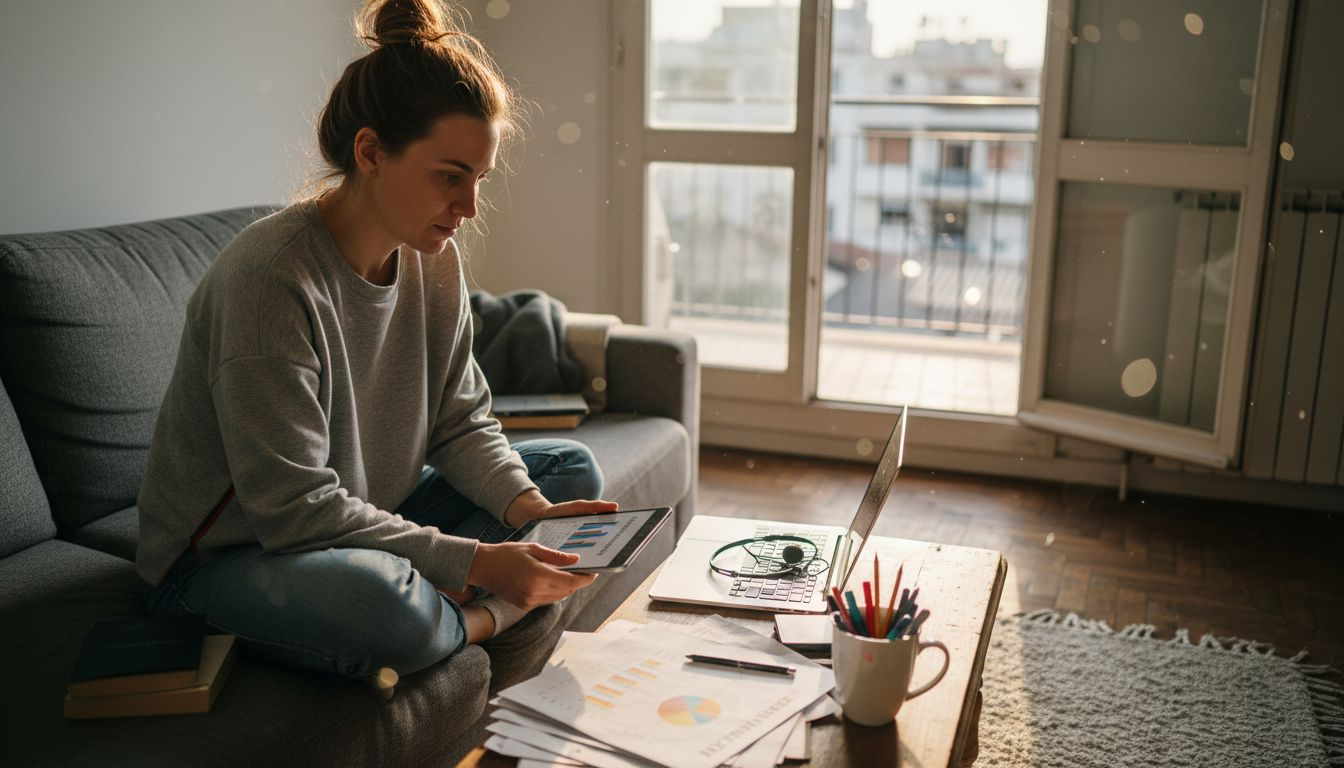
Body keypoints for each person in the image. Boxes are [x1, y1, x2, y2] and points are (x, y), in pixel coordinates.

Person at [135, 0, 614, 683]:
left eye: (479, 180)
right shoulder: (273, 281)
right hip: (226, 561)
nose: (470, 207)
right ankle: (476, 618)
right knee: (385, 610)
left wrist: (528, 510)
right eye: (450, 176)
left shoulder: (433, 256)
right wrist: (479, 564)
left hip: (364, 515)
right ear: (370, 152)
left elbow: (460, 421)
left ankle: (452, 607)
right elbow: (294, 510)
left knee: (567, 476)